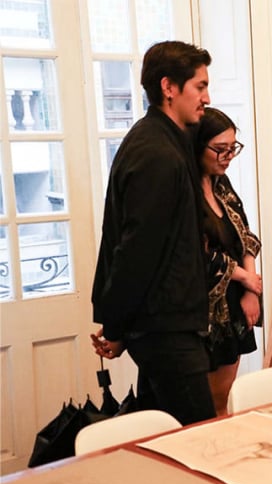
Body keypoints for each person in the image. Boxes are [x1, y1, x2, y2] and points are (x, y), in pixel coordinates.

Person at [90, 40, 216, 425]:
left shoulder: (166, 140)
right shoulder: (156, 153)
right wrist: (116, 325)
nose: (207, 98)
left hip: (166, 324)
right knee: (200, 440)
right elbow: (136, 251)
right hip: (166, 329)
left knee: (159, 439)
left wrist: (120, 325)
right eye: (199, 86)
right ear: (169, 87)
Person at [194, 107, 263, 416]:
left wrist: (251, 289)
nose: (228, 156)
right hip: (205, 310)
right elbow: (197, 255)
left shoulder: (221, 183)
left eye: (233, 147)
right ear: (198, 146)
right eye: (220, 149)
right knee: (204, 407)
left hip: (234, 303)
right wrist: (245, 278)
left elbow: (246, 236)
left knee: (223, 402)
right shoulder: (186, 189)